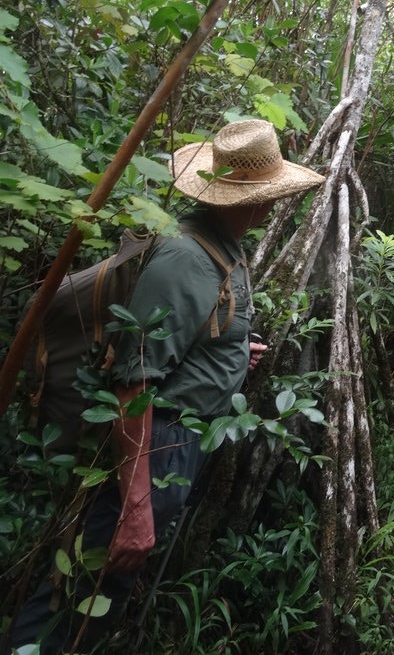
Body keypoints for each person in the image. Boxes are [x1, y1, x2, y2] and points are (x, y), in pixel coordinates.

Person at [2, 118, 325, 655]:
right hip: (154, 448)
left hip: (179, 445)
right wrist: (135, 507)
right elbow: (136, 386)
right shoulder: (186, 259)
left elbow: (190, 332)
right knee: (90, 579)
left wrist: (231, 351)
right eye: (271, 194)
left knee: (112, 582)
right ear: (256, 199)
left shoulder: (225, 246)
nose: (275, 205)